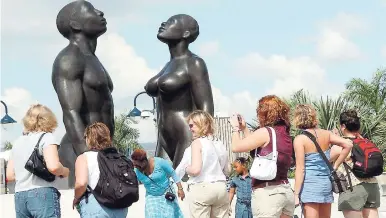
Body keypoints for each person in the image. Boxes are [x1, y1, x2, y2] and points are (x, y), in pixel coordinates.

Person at [52, 0, 114, 187]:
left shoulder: (93, 59)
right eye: (91, 10)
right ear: (75, 24)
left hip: (102, 149)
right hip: (80, 150)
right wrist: (88, 155)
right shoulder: (69, 59)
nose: (100, 12)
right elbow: (71, 113)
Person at [145, 14, 214, 168]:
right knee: (163, 185)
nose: (164, 23)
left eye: (171, 22)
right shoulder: (169, 64)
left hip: (185, 133)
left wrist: (203, 139)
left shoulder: (194, 63)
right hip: (164, 135)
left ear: (186, 33)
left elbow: (206, 107)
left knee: (183, 183)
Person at [231, 95, 295, 218]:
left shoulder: (266, 132)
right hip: (285, 190)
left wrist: (235, 129)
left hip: (268, 194)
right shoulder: (284, 134)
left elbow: (236, 147)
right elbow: (256, 148)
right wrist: (245, 129)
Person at [6, 104, 69, 218]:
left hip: (20, 196)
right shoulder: (47, 137)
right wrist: (64, 171)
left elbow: (10, 176)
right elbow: (54, 167)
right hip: (42, 194)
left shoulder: (17, 142)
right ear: (48, 119)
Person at [293, 104, 352, 218]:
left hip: (310, 185)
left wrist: (296, 194)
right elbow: (348, 145)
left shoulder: (300, 139)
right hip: (325, 183)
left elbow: (300, 169)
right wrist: (335, 165)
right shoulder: (326, 134)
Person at [177, 110, 230, 218]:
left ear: (201, 124)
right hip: (220, 188)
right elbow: (228, 170)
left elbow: (196, 170)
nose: (189, 128)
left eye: (192, 125)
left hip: (202, 188)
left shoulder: (197, 143)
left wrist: (186, 168)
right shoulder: (220, 143)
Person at [330, 110, 380, 218]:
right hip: (372, 186)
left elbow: (324, 161)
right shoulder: (366, 142)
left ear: (343, 126)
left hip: (353, 188)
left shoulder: (340, 146)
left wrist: (335, 139)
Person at [73, 122, 128, 218]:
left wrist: (76, 198)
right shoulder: (119, 157)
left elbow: (81, 183)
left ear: (89, 138)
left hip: (96, 205)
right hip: (120, 207)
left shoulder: (84, 157)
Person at [131, 149, 185, 218]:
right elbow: (132, 183)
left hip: (166, 193)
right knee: (152, 215)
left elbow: (172, 173)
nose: (135, 167)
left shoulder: (159, 162)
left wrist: (180, 189)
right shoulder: (137, 171)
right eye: (134, 165)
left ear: (144, 161)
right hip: (151, 196)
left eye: (137, 165)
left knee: (168, 216)